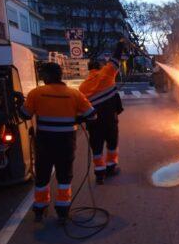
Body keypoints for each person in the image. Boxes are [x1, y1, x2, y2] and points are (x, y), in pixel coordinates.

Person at [19, 63, 96, 222]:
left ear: (47, 76)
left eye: (42, 74)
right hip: (66, 142)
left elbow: (25, 115)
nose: (41, 77)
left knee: (42, 176)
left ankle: (40, 209)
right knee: (64, 176)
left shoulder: (36, 93)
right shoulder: (74, 94)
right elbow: (92, 115)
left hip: (44, 143)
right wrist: (78, 118)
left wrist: (19, 102)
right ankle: (62, 210)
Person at [79, 39, 125, 185]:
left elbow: (81, 109)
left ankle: (100, 173)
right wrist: (121, 44)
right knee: (112, 144)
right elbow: (115, 58)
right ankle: (111, 168)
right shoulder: (106, 74)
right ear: (99, 66)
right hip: (110, 120)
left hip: (94, 124)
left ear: (88, 70)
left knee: (97, 147)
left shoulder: (83, 86)